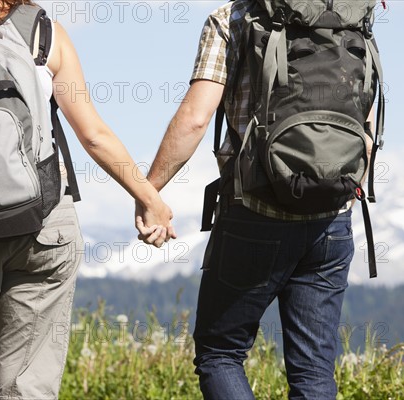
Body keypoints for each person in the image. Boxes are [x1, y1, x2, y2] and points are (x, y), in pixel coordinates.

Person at [0, 0, 174, 398]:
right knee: (27, 380)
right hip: (43, 220)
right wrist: (149, 198)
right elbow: (93, 134)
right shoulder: (45, 31)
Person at [137, 1, 374, 399]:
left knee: (220, 353)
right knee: (314, 372)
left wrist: (149, 191)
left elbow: (196, 117)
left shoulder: (231, 17)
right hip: (331, 218)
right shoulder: (351, 15)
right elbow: (366, 121)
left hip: (254, 212)